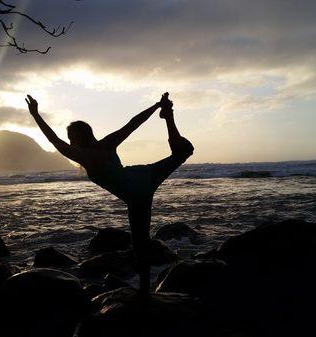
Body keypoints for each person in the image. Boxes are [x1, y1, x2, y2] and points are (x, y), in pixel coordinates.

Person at [25, 92, 194, 299]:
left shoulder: (84, 156)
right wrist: (156, 106)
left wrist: (35, 115)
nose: (69, 141)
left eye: (71, 138)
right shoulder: (106, 143)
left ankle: (143, 291)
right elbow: (133, 124)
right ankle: (168, 117)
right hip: (145, 177)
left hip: (136, 194)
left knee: (140, 242)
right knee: (184, 151)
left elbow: (53, 140)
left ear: (78, 137)